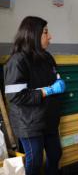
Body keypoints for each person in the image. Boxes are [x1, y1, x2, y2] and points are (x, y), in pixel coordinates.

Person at [4, 16, 66, 174]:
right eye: (46, 32)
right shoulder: (18, 61)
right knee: (35, 161)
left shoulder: (46, 57)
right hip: (29, 122)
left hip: (48, 119)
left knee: (55, 154)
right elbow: (16, 96)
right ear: (33, 34)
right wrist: (48, 90)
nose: (50, 36)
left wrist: (58, 83)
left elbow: (55, 78)